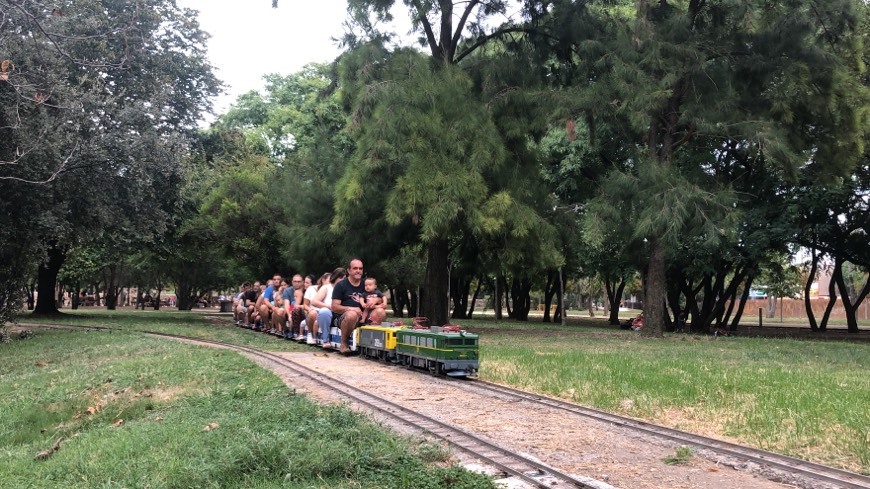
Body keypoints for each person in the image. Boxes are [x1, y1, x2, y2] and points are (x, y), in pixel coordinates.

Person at [331, 259, 367, 353]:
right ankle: (344, 343)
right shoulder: (340, 285)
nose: (358, 271)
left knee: (380, 313)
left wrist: (377, 300)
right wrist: (352, 309)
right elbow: (334, 307)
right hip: (342, 318)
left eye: (360, 268)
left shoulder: (366, 285)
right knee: (352, 315)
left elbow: (378, 296)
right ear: (349, 270)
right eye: (355, 268)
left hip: (363, 316)